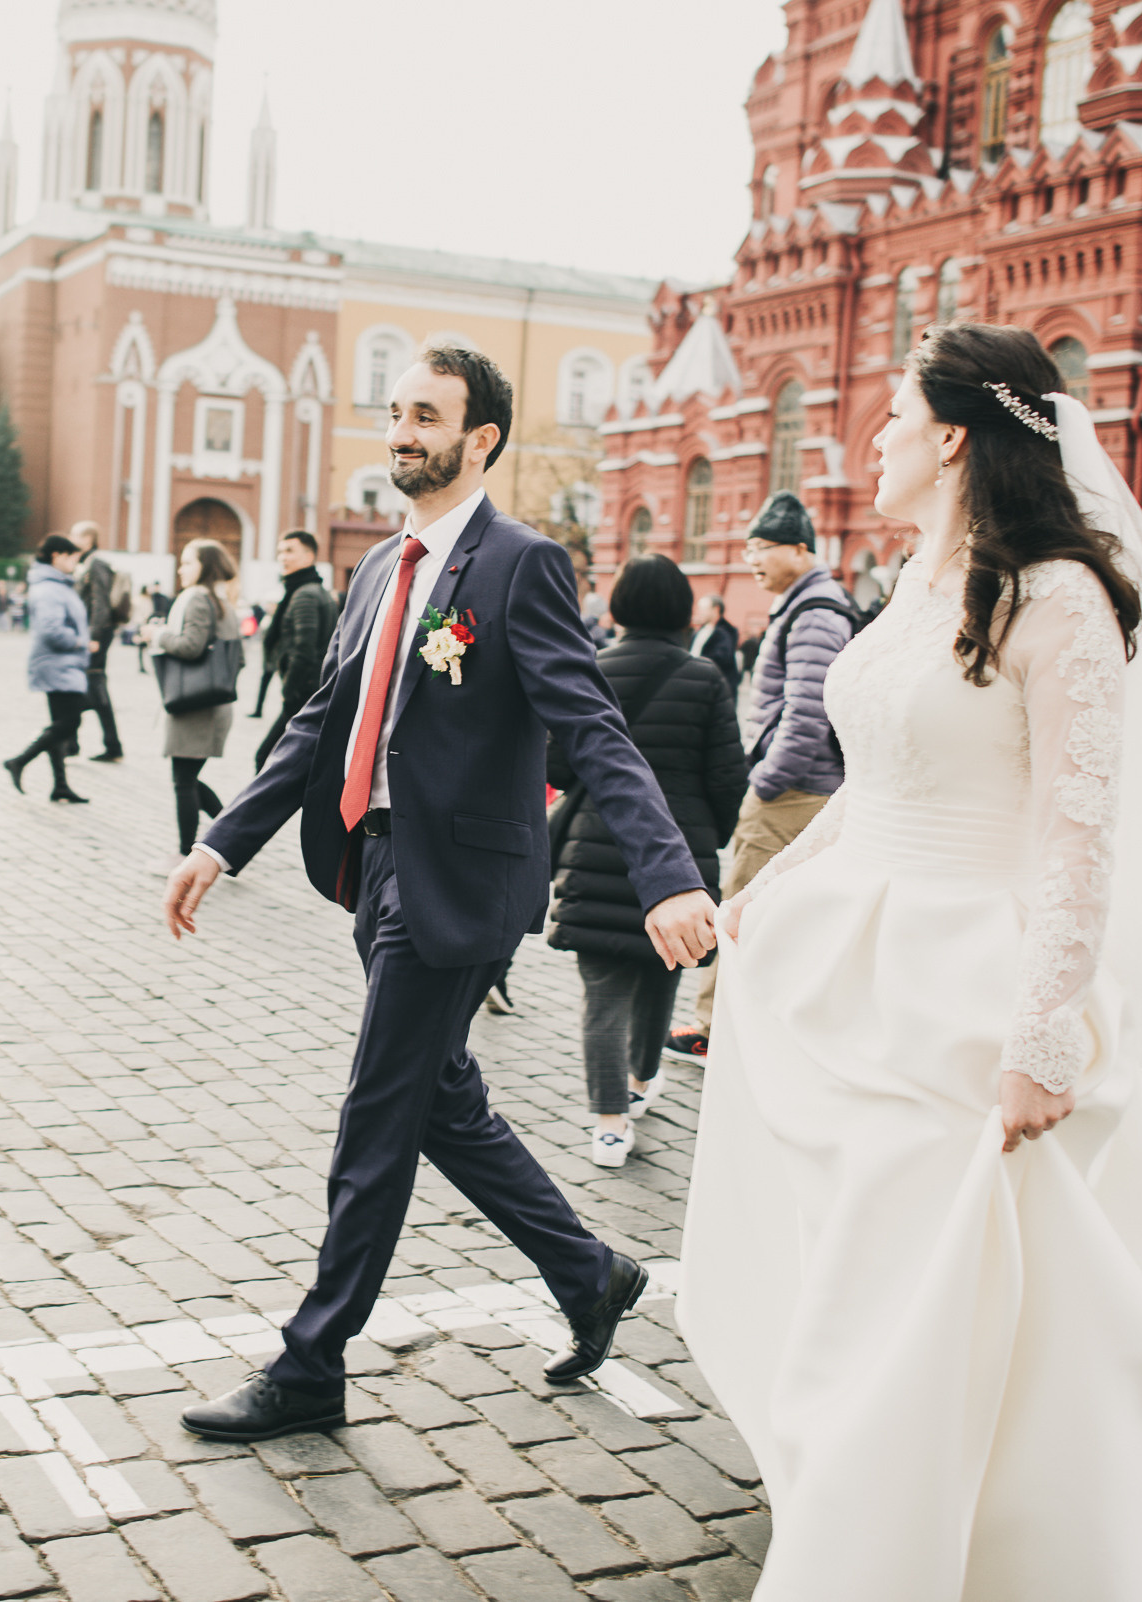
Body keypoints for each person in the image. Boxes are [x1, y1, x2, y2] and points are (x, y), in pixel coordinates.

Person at [682, 324, 1142, 1601]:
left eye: (892, 420)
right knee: (847, 1282)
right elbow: (882, 775)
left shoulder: (1057, 593)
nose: (877, 442)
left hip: (967, 988)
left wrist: (1042, 1034)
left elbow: (1077, 833)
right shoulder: (916, 579)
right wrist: (775, 884)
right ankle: (854, 1512)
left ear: (954, 436)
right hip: (851, 965)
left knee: (926, 1299)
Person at [164, 344, 716, 1443]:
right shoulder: (379, 568)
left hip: (460, 883)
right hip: (374, 872)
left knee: (378, 1112)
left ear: (482, 439)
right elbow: (323, 722)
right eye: (399, 410)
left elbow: (590, 727)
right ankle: (591, 1272)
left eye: (427, 414)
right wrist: (225, 841)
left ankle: (311, 1365)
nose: (402, 428)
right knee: (439, 1103)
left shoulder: (522, 565)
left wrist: (666, 872)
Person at [547, 554, 745, 1167]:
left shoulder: (593, 670)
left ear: (620, 606)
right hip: (679, 855)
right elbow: (728, 779)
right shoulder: (705, 676)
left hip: (597, 848)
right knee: (664, 971)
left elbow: (555, 766)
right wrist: (711, 834)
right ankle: (639, 1083)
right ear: (683, 608)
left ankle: (609, 1124)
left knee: (602, 991)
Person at [671, 491, 856, 1066]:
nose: (752, 558)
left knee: (741, 911)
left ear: (800, 550)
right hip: (808, 789)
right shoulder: (811, 604)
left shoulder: (814, 612)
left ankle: (712, 1029)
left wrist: (766, 783)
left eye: (763, 547)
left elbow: (806, 713)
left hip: (792, 794)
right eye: (747, 546)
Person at [153, 538, 243, 856]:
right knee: (189, 778)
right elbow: (239, 658)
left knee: (183, 782)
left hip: (194, 706)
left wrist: (157, 635)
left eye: (188, 562)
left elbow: (190, 646)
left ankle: (185, 854)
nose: (181, 568)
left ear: (204, 566)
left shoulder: (196, 598)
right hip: (211, 704)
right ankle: (231, 837)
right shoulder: (221, 601)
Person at [2, 534, 90, 802]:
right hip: (58, 664)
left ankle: (60, 786)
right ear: (57, 556)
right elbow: (51, 630)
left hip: (61, 664)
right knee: (70, 722)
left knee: (59, 725)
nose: (77, 561)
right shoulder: (49, 588)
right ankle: (19, 761)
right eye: (73, 556)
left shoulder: (57, 584)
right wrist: (80, 642)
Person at [255, 530, 338, 771]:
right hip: (312, 690)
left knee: (266, 758)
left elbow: (304, 649)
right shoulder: (313, 591)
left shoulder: (304, 596)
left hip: (304, 692)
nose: (283, 557)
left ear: (309, 556)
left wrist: (289, 691)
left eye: (290, 551)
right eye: (280, 551)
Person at [70, 521, 130, 763]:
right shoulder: (87, 563)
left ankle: (108, 745)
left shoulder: (96, 564)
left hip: (97, 634)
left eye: (74, 535)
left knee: (93, 684)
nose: (70, 539)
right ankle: (104, 744)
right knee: (92, 685)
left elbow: (100, 603)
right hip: (94, 633)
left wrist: (94, 637)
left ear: (87, 540)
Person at [687, 593, 740, 697]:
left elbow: (721, 658)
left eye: (702, 609)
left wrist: (694, 664)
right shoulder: (699, 631)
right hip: (697, 685)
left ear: (716, 609)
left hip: (715, 689)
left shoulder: (726, 632)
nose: (699, 612)